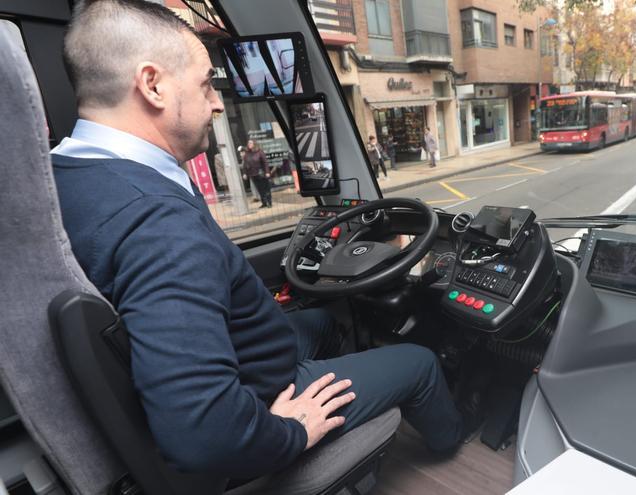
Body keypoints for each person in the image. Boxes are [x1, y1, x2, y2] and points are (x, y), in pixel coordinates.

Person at [50, 0, 462, 480]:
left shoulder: (62, 178)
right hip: (264, 395)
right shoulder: (157, 221)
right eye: (206, 83)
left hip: (245, 357)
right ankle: (455, 443)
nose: (218, 102)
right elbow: (202, 434)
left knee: (325, 323)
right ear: (153, 84)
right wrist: (293, 429)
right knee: (420, 362)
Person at [243, 139, 272, 208]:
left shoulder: (260, 152)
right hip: (253, 174)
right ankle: (264, 203)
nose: (249, 144)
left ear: (254, 144)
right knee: (259, 189)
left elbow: (265, 162)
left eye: (251, 143)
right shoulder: (247, 153)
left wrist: (267, 172)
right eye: (248, 143)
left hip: (261, 173)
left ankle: (269, 202)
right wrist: (245, 173)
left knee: (266, 188)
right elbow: (245, 164)